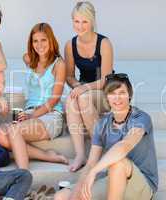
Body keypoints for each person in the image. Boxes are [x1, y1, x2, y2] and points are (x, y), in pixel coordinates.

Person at [55, 73, 158, 200]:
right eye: (112, 94)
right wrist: (75, 195)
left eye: (122, 93)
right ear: (106, 97)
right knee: (62, 196)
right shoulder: (103, 123)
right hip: (114, 180)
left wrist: (94, 172)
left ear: (129, 95)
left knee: (118, 163)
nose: (117, 98)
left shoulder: (140, 118)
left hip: (140, 184)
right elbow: (91, 163)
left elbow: (123, 147)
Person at [0, 23, 68, 169]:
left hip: (50, 115)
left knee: (13, 131)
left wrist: (33, 115)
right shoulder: (29, 59)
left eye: (44, 40)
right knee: (0, 134)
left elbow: (54, 99)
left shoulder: (59, 64)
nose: (39, 45)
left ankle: (23, 174)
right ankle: (47, 155)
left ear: (51, 41)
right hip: (29, 112)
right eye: (35, 41)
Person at [65, 1, 114, 172]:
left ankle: (99, 150)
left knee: (83, 97)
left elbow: (106, 79)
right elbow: (69, 76)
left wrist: (83, 89)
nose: (80, 26)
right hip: (84, 88)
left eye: (84, 21)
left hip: (105, 90)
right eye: (77, 21)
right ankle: (80, 155)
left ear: (92, 21)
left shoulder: (104, 43)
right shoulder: (70, 45)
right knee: (70, 101)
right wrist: (78, 86)